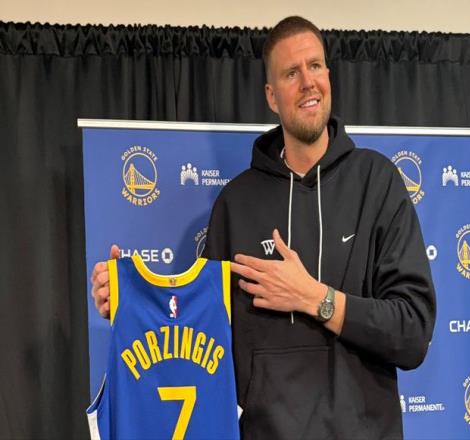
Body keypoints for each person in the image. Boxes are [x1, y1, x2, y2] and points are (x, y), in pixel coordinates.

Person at [92, 16, 436, 439]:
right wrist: (130, 303)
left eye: (315, 66)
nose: (308, 82)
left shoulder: (377, 183)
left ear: (329, 76)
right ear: (272, 96)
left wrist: (314, 297)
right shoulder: (235, 204)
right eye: (291, 73)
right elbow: (199, 333)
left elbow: (413, 332)